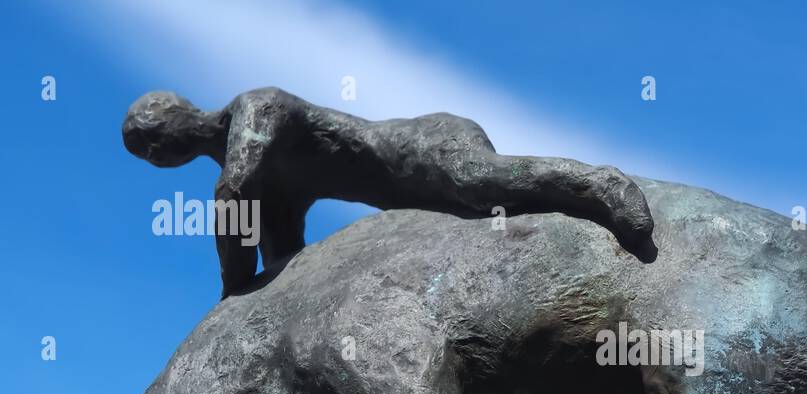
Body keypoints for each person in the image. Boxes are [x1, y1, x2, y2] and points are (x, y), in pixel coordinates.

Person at [123, 88, 655, 297]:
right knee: (494, 214)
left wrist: (228, 292)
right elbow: (282, 261)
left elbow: (235, 188)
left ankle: (600, 184)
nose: (152, 155)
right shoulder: (265, 193)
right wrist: (245, 294)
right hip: (403, 202)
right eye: (142, 154)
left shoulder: (255, 111)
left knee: (482, 183)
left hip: (417, 149)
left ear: (172, 112)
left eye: (148, 139)